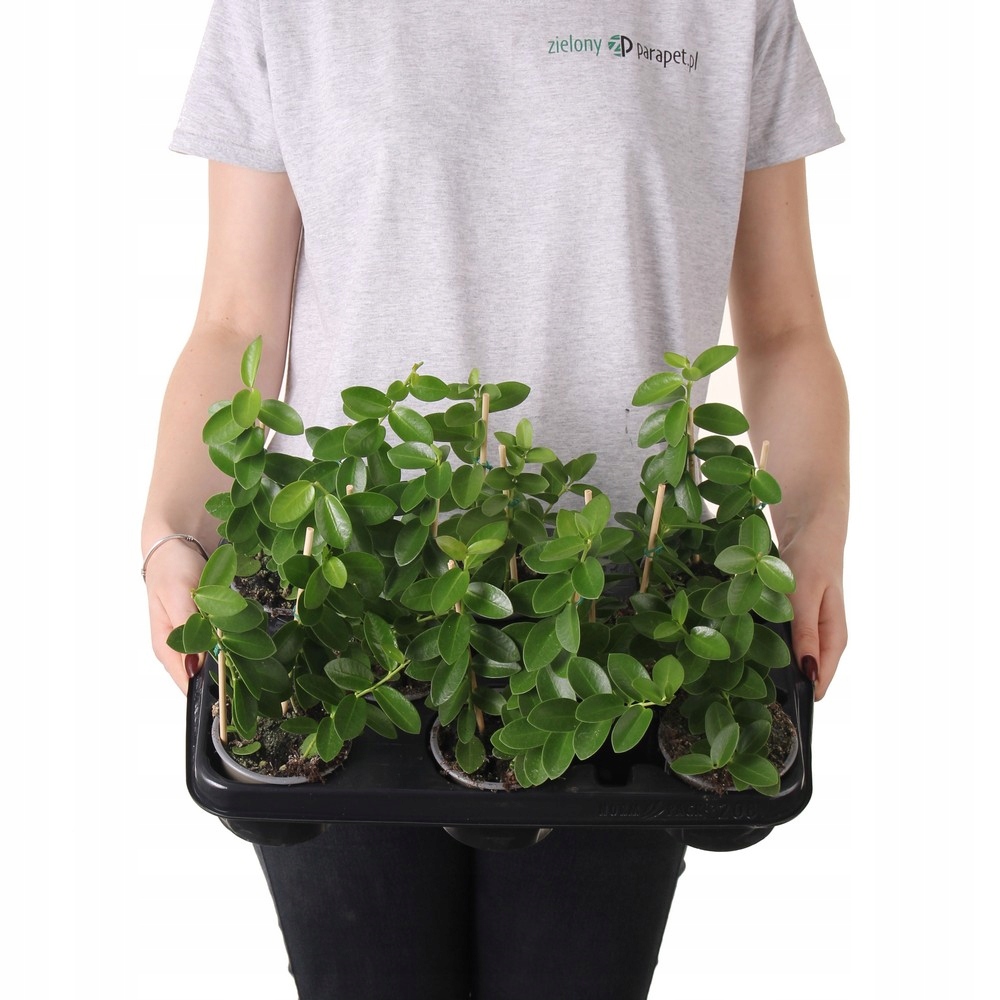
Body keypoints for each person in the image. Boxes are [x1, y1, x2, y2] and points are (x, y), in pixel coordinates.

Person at [142, 2, 849, 998]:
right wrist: (170, 529)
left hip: (618, 629)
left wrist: (812, 534)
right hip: (338, 625)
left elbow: (781, 327)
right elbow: (232, 321)